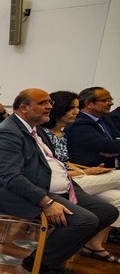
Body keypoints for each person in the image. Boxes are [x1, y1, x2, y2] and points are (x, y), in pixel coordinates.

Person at [0, 89, 118, 274]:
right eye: (43, 103)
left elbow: (50, 162)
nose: (50, 106)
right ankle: (39, 263)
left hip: (59, 187)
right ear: (23, 108)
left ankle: (53, 258)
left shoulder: (36, 128)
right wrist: (46, 202)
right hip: (26, 195)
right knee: (85, 220)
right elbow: (12, 178)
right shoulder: (7, 133)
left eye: (49, 102)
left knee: (107, 211)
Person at [45, 91, 120, 261]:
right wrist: (86, 172)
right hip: (65, 182)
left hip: (74, 176)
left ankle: (93, 245)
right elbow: (52, 170)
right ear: (60, 110)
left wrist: (89, 169)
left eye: (77, 108)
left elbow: (65, 162)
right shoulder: (45, 135)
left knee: (116, 199)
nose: (77, 112)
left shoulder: (61, 133)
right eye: (72, 108)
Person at [64, 87, 120, 169]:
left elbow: (115, 141)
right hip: (90, 171)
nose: (111, 103)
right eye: (106, 100)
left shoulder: (105, 119)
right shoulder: (79, 123)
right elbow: (108, 146)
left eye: (111, 100)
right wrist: (112, 148)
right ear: (89, 104)